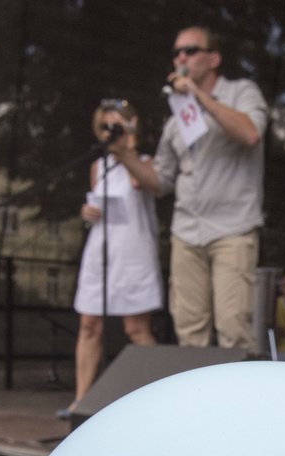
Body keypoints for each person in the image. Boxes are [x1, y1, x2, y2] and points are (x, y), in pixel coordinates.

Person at [110, 25, 268, 354]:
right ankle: (199, 406)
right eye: (177, 52)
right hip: (186, 233)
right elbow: (160, 181)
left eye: (189, 50)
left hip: (232, 229)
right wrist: (122, 153)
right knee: (189, 334)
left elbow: (250, 133)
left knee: (234, 331)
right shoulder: (175, 122)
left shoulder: (241, 92)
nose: (180, 57)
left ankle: (240, 405)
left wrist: (198, 95)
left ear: (213, 58)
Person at [62, 99, 161, 419]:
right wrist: (87, 212)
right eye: (106, 126)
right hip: (102, 249)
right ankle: (81, 400)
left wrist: (126, 147)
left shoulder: (145, 160)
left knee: (135, 327)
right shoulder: (98, 167)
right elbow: (99, 202)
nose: (110, 132)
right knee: (89, 324)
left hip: (133, 251)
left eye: (116, 125)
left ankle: (161, 395)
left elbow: (141, 182)